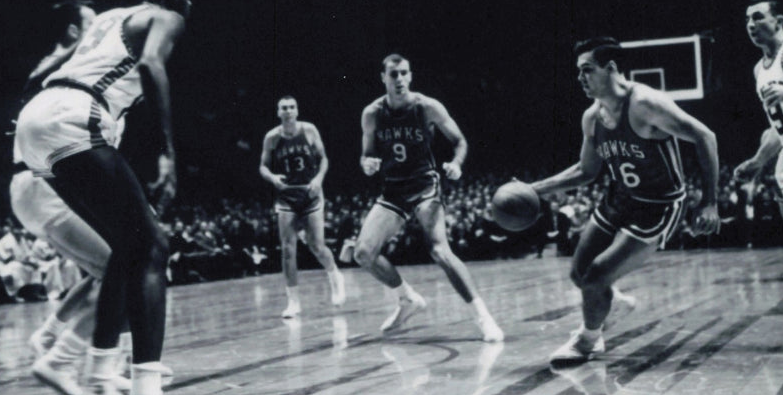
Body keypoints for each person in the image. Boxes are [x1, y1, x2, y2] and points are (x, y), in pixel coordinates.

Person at [14, 0, 214, 395]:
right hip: (74, 117)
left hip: (35, 123)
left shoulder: (108, 18)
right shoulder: (166, 16)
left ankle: (99, 382)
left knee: (125, 250)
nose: (189, 3)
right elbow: (150, 65)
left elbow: (47, 72)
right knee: (153, 247)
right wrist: (168, 150)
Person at [531, 37, 720, 363]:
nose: (580, 77)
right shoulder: (591, 117)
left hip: (660, 203)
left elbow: (705, 136)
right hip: (620, 197)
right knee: (579, 274)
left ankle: (588, 341)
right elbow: (586, 171)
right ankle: (612, 303)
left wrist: (710, 201)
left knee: (596, 277)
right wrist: (534, 189)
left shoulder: (646, 103)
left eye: (587, 69)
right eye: (578, 71)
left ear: (611, 68)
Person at [349, 54, 503, 342]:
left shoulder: (427, 107)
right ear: (383, 77)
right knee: (363, 253)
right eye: (393, 74)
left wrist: (456, 163)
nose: (400, 79)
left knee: (439, 250)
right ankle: (407, 298)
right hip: (393, 189)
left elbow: (459, 141)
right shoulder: (371, 113)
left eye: (404, 73)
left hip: (424, 185)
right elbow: (366, 154)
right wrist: (366, 163)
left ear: (411, 75)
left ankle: (483, 317)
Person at [259, 96, 345, 317]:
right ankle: (293, 302)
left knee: (317, 246)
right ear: (278, 112)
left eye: (291, 107)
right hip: (286, 196)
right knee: (288, 249)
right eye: (284, 108)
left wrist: (318, 179)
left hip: (310, 193)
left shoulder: (309, 130)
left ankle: (335, 275)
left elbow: (324, 159)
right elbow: (263, 167)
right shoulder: (271, 137)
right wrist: (272, 178)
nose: (288, 111)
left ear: (297, 110)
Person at [733, 0, 783, 277]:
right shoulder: (759, 69)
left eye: (758, 17)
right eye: (747, 19)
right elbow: (778, 128)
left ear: (778, 21)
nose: (751, 24)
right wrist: (757, 161)